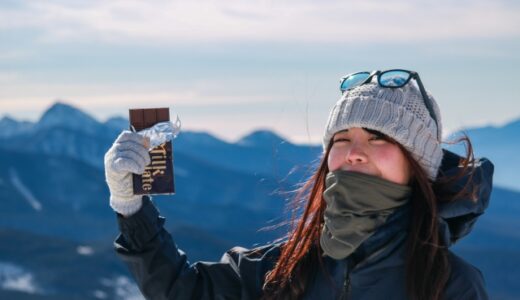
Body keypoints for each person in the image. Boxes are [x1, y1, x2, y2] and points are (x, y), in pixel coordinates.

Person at [104, 69, 493, 300]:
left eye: (379, 138)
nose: (355, 151)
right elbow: (184, 291)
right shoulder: (285, 269)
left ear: (417, 167)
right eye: (342, 139)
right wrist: (130, 206)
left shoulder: (449, 284)